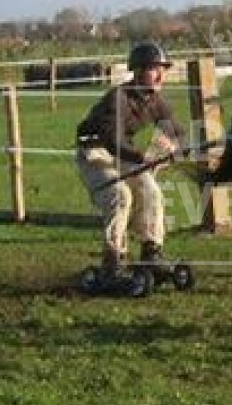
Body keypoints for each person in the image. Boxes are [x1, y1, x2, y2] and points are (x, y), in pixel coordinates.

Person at [75, 42, 186, 290]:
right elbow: (112, 141)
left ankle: (151, 252)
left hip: (125, 152)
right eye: (154, 69)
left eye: (163, 69)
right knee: (119, 194)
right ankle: (113, 260)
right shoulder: (118, 98)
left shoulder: (156, 101)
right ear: (137, 71)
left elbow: (177, 132)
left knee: (151, 190)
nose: (161, 75)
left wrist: (175, 147)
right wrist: (142, 158)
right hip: (95, 152)